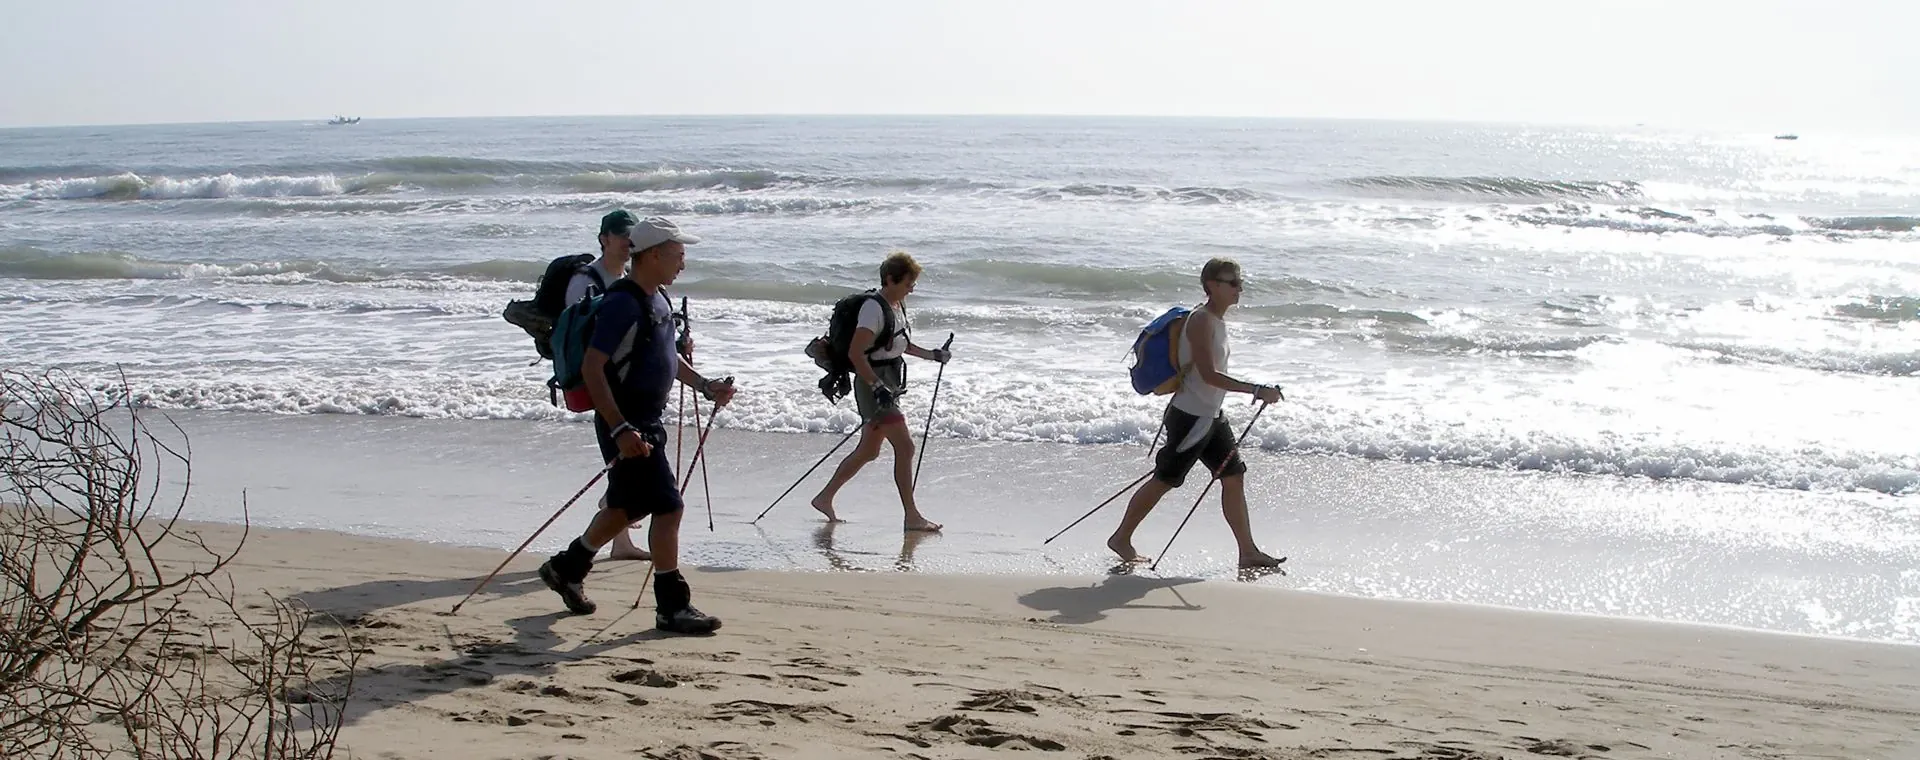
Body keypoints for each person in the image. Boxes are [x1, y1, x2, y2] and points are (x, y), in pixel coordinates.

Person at [537, 214, 736, 634]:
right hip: (627, 423)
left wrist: (705, 384)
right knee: (669, 505)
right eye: (679, 255)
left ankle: (566, 568)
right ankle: (671, 608)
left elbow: (667, 357)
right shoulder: (623, 303)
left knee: (629, 507)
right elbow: (593, 367)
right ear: (655, 255)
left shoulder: (658, 297)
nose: (683, 264)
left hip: (645, 421)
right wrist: (619, 429)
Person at [1107, 257, 1285, 569]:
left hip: (1211, 417)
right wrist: (1257, 391)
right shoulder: (1202, 321)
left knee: (1234, 477)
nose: (1239, 288)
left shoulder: (1216, 320)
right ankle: (1121, 537)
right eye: (1232, 282)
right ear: (1212, 286)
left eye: (1239, 282)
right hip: (1191, 418)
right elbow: (1208, 375)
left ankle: (1248, 552)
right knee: (1165, 480)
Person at [809, 251, 950, 532]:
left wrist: (933, 355)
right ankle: (912, 516)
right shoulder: (873, 309)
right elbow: (856, 353)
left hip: (888, 382)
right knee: (906, 446)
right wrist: (877, 387)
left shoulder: (896, 305)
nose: (913, 288)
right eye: (909, 282)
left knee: (869, 451)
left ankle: (824, 498)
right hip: (873, 384)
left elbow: (900, 345)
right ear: (890, 279)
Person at [566, 209, 655, 563]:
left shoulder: (635, 279)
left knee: (624, 471)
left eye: (631, 237)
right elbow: (581, 334)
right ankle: (583, 553)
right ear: (604, 238)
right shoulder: (586, 280)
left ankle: (620, 543)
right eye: (620, 235)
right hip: (603, 384)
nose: (626, 242)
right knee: (627, 475)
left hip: (630, 383)